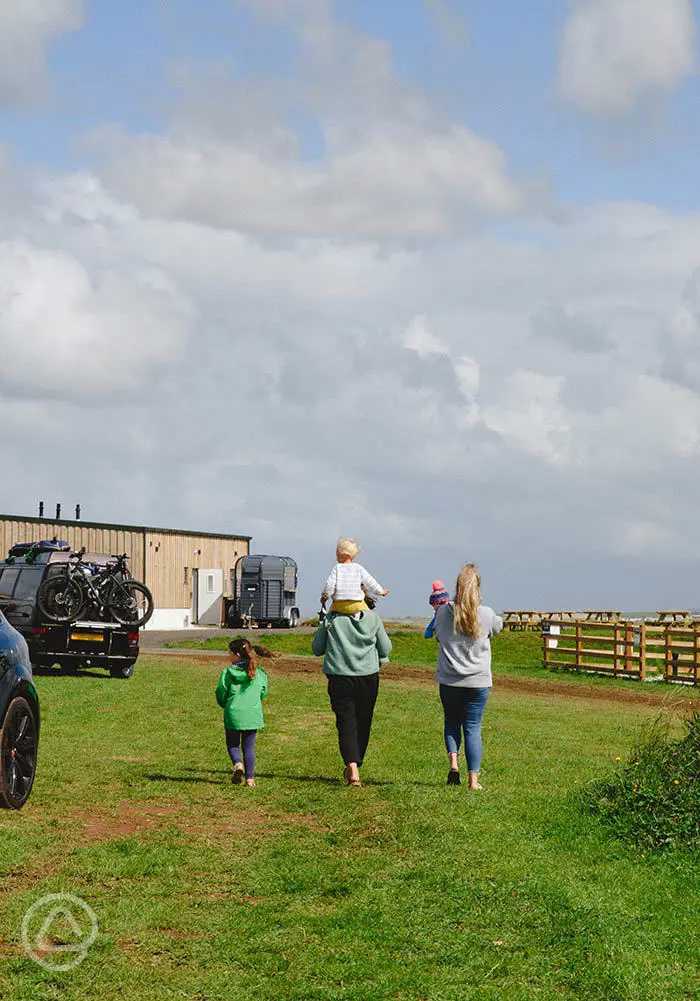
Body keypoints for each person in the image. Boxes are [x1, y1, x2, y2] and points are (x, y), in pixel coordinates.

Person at [433, 564, 502, 790]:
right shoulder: (487, 614)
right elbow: (498, 627)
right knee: (473, 726)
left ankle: (454, 763)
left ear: (457, 588)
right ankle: (473, 780)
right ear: (478, 588)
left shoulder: (443, 612)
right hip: (478, 681)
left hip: (450, 680)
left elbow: (437, 635)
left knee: (451, 722)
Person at [312, 606, 392, 787]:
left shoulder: (332, 619)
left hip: (339, 676)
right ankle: (356, 763)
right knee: (364, 721)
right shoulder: (373, 618)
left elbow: (317, 648)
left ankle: (352, 766)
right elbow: (386, 648)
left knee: (345, 720)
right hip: (368, 677)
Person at [215, 637, 269, 788]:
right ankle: (250, 779)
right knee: (249, 747)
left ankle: (238, 765)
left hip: (233, 714)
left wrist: (224, 704)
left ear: (237, 655)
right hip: (252, 714)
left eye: (229, 653)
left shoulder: (227, 673)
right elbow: (263, 693)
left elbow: (221, 692)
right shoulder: (259, 673)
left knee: (233, 744)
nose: (228, 656)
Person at [320, 537, 389, 615]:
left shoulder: (337, 568)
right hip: (357, 605)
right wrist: (381, 591)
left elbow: (329, 585)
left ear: (342, 553)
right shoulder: (358, 568)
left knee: (329, 619)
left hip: (339, 606)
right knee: (369, 616)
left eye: (337, 552)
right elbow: (370, 582)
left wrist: (325, 596)